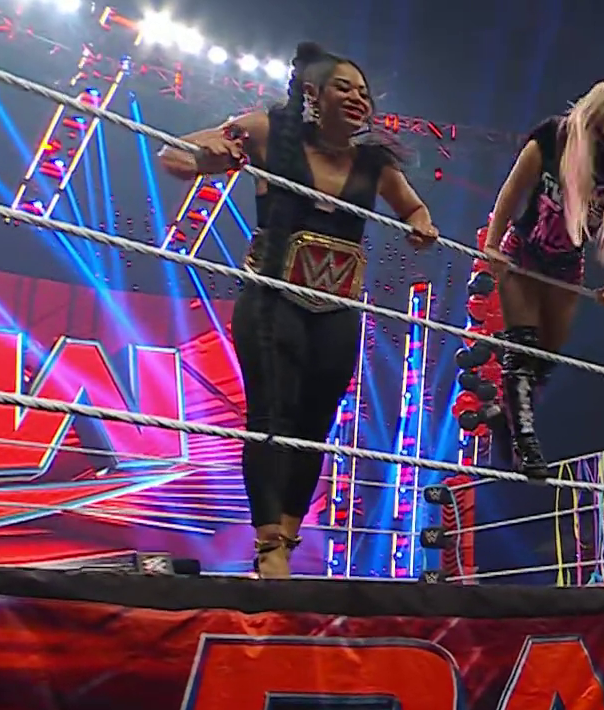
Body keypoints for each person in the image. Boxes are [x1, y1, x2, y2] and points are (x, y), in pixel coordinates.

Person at [162, 42, 436, 579]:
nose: (358, 99)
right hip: (272, 298)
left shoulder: (374, 163)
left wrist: (421, 226)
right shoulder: (269, 132)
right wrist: (208, 153)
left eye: (364, 93)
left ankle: (286, 539)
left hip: (336, 307)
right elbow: (173, 156)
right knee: (271, 415)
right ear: (313, 94)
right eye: (344, 88)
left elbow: (414, 208)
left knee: (315, 425)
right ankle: (268, 547)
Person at [482, 71, 604, 478]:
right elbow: (513, 189)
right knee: (523, 349)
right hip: (523, 251)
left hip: (566, 264)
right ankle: (526, 444)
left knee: (546, 358)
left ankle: (504, 421)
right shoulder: (555, 137)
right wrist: (492, 243)